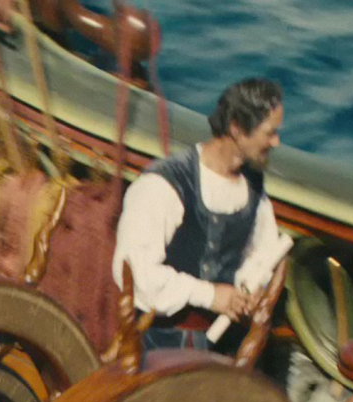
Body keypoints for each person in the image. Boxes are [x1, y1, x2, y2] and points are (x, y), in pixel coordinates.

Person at [113, 78, 290, 351]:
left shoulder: (254, 188)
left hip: (227, 347)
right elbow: (135, 274)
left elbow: (260, 255)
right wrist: (210, 296)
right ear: (237, 129)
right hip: (161, 347)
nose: (276, 142)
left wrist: (252, 291)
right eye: (270, 133)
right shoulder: (163, 185)